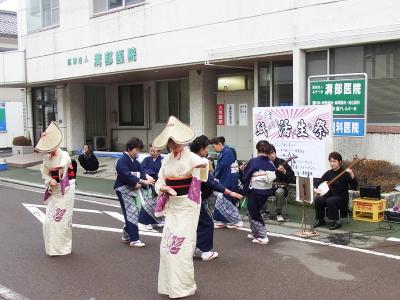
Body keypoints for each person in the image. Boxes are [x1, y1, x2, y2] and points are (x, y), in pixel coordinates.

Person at [153, 116, 209, 298]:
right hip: (173, 205)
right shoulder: (166, 160)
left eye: (176, 143)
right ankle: (168, 286)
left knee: (181, 248)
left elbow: (203, 172)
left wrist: (202, 165)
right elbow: (160, 180)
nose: (173, 147)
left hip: (187, 205)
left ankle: (184, 286)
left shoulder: (192, 157)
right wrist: (162, 187)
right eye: (170, 145)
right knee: (166, 247)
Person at [189, 135, 242, 261]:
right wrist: (229, 192)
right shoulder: (201, 162)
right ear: (201, 149)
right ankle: (205, 251)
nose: (208, 150)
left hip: (182, 197)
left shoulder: (185, 158)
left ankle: (192, 248)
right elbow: (210, 181)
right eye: (207, 148)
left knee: (192, 224)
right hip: (195, 197)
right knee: (206, 222)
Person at [35, 121, 76, 256]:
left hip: (66, 189)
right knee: (48, 222)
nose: (50, 150)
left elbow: (67, 160)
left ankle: (63, 248)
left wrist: (61, 166)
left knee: (61, 220)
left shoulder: (63, 154)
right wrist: (49, 179)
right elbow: (44, 173)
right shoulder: (46, 159)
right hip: (54, 190)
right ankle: (51, 248)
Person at [114, 137, 154, 247]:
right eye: (136, 150)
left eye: (139, 150)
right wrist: (142, 181)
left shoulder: (135, 161)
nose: (138, 152)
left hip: (132, 188)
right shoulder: (122, 160)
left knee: (133, 211)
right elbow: (126, 175)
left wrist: (148, 177)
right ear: (129, 149)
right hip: (123, 188)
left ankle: (127, 235)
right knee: (132, 211)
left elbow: (141, 171)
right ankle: (134, 239)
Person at [313, 151, 358, 230]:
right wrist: (315, 189)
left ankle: (337, 221)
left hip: (341, 197)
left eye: (334, 161)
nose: (332, 163)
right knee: (318, 199)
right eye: (330, 161)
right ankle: (320, 220)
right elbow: (318, 182)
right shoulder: (328, 173)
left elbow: (355, 187)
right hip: (330, 195)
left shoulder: (345, 173)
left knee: (331, 201)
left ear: (339, 162)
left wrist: (352, 174)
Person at [242, 140, 276, 245]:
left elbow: (246, 176)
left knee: (254, 212)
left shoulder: (254, 161)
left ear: (257, 150)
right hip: (266, 190)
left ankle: (263, 235)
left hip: (255, 190)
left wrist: (243, 172)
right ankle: (255, 232)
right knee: (253, 211)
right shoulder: (270, 163)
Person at [210, 136, 242, 228]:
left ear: (220, 144)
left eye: (214, 146)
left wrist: (215, 176)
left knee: (226, 200)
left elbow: (221, 167)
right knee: (222, 200)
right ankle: (222, 220)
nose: (213, 148)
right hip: (229, 178)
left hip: (228, 179)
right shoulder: (228, 151)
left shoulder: (226, 153)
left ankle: (235, 221)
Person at [266, 144, 295, 222]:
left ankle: (279, 213)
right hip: (269, 186)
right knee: (259, 189)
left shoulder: (282, 162)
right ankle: (263, 211)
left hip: (281, 187)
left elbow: (291, 176)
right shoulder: (265, 163)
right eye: (269, 154)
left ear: (275, 153)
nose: (271, 155)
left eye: (273, 153)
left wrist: (284, 171)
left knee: (279, 192)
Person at [138, 146, 164, 229]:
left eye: (154, 151)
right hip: (147, 184)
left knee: (156, 203)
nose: (152, 153)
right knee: (147, 203)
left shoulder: (162, 161)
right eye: (151, 151)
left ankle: (156, 221)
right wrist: (147, 175)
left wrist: (152, 174)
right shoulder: (146, 159)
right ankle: (146, 222)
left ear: (159, 152)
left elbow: (162, 171)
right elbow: (141, 169)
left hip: (158, 184)